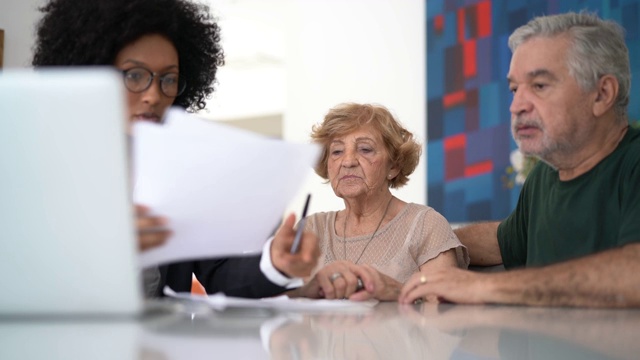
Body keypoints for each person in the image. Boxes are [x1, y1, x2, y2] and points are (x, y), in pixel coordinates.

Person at [32, 0, 319, 298]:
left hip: (157, 342)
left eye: (168, 79)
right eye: (134, 75)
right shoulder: (38, 163)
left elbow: (218, 271)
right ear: (92, 72)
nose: (154, 95)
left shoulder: (183, 167)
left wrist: (276, 263)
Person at [400, 12, 640, 308]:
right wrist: (406, 254)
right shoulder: (545, 177)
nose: (516, 106)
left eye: (539, 85)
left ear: (602, 94)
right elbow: (500, 242)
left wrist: (485, 287)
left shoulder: (633, 163)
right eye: (514, 89)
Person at [289, 103, 468, 301]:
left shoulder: (426, 225)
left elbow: (446, 313)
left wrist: (398, 293)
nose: (348, 162)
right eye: (337, 151)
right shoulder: (311, 230)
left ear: (394, 166)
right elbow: (282, 306)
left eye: (365, 149)